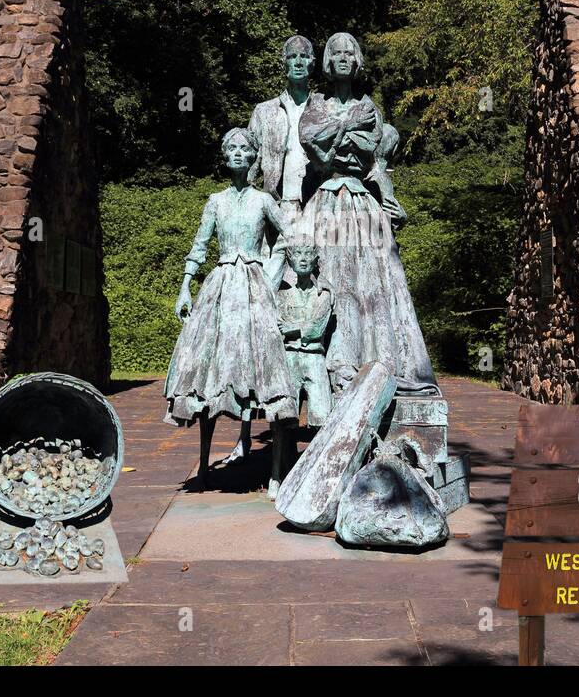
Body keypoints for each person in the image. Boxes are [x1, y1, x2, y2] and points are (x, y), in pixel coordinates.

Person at [298, 32, 439, 396]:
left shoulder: (370, 109)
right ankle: (330, 369)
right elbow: (319, 154)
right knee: (328, 278)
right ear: (328, 60)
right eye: (337, 52)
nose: (344, 58)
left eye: (350, 52)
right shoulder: (315, 105)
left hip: (362, 202)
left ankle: (377, 365)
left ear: (357, 60)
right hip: (326, 200)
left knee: (375, 284)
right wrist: (344, 137)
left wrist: (391, 202)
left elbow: (372, 162)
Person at [165, 127, 297, 487]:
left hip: (255, 288)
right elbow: (199, 246)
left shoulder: (263, 201)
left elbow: (291, 236)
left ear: (253, 156)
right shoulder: (215, 201)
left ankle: (274, 473)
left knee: (264, 364)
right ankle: (205, 464)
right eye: (232, 149)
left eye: (244, 149)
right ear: (225, 157)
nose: (238, 154)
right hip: (221, 286)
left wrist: (272, 274)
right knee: (209, 364)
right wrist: (184, 288)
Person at [248, 35, 322, 278]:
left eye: (303, 57)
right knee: (273, 278)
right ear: (284, 63)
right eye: (292, 57)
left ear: (312, 63)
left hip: (318, 206)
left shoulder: (324, 107)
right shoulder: (264, 111)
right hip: (278, 206)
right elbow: (250, 164)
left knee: (319, 277)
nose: (298, 62)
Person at [272, 243, 334, 498]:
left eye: (308, 255)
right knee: (282, 418)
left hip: (314, 359)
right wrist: (298, 329)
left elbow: (317, 329)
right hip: (288, 359)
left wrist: (294, 329)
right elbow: (277, 326)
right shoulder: (281, 294)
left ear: (315, 259)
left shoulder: (325, 294)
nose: (303, 260)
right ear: (289, 260)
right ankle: (276, 475)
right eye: (297, 254)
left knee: (323, 417)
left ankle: (318, 473)